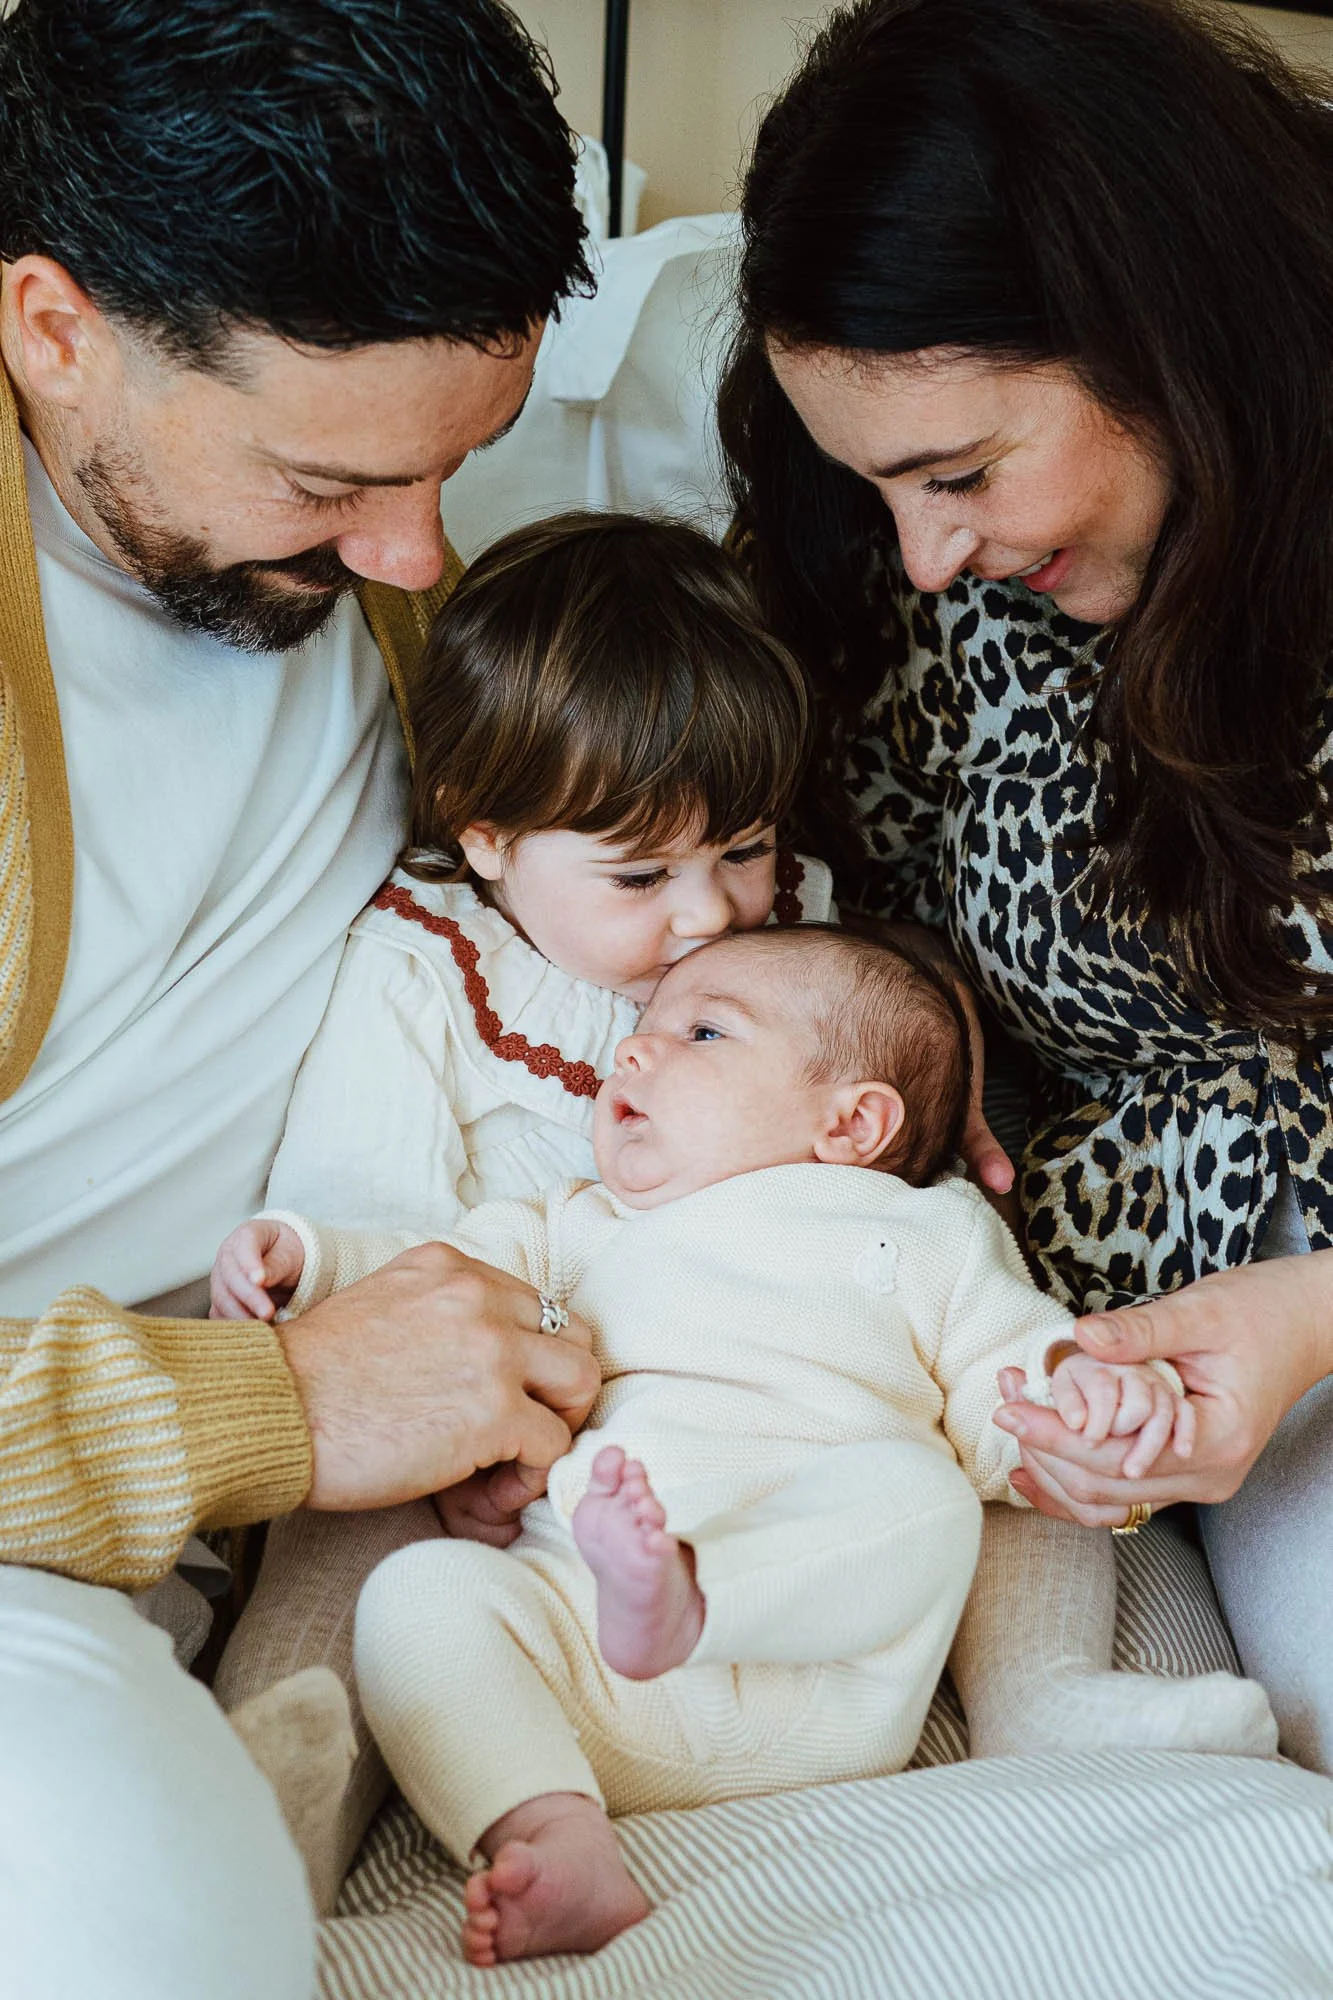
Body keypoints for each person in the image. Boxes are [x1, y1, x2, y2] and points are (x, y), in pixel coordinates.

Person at [0, 3, 604, 1993]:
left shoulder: (392, 603)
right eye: (329, 477)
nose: (416, 550)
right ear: (53, 327)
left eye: (457, 464)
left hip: (218, 1539)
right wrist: (283, 1405)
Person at [217, 924, 1273, 1966]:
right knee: (417, 1593)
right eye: (642, 1028)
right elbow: (431, 1279)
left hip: (827, 1672)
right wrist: (308, 1262)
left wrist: (1091, 1396)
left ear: (852, 1122)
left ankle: (694, 1590)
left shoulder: (925, 1232)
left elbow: (1014, 1375)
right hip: (591, 1669)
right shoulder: (575, 1224)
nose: (636, 1049)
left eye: (704, 1032)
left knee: (924, 1491)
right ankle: (550, 1831)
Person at [716, 0, 1333, 1775]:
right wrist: (929, 1023)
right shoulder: (964, 600)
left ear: (1161, 329)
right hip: (1107, 1321)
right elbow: (869, 881)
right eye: (882, 493)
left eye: (961, 474)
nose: (929, 555)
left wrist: (1305, 1316)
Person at [208, 508, 833, 1908]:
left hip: (703, 1387)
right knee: (341, 1562)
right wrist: (304, 1265)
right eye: (640, 876)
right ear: (488, 839)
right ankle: (260, 1842)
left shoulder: (787, 933)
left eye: (744, 847)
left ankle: (1038, 1691)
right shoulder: (426, 968)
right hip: (463, 1397)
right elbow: (375, 1233)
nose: (709, 916)